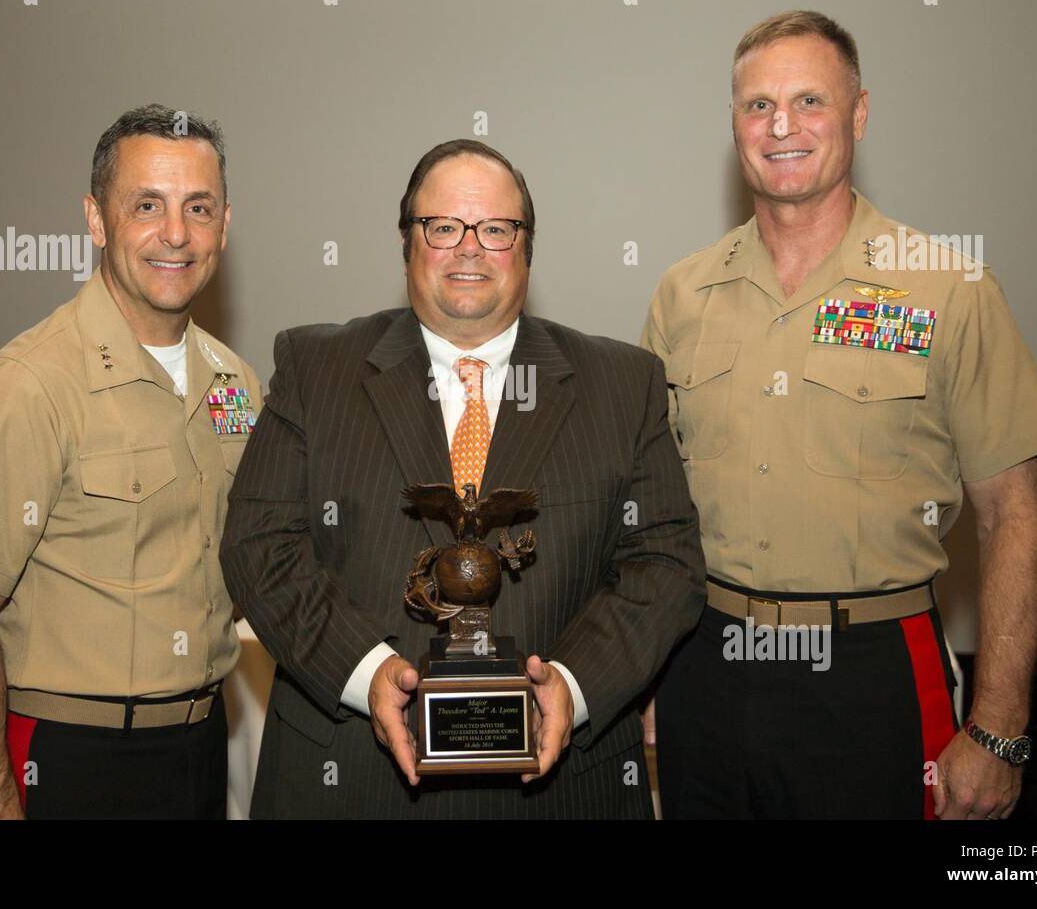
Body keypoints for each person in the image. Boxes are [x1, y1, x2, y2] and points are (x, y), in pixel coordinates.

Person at [642, 11, 1037, 819]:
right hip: (704, 658)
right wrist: (648, 672)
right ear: (733, 123)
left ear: (859, 114)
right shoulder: (682, 292)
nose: (782, 127)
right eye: (757, 105)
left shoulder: (946, 288)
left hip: (872, 669)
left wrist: (1001, 728)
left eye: (810, 101)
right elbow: (649, 511)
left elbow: (1015, 512)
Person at [222, 138, 704, 818]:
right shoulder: (313, 367)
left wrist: (572, 684)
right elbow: (259, 547)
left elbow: (667, 565)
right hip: (353, 781)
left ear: (527, 246)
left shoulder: (621, 385)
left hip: (563, 790)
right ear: (406, 243)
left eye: (495, 229)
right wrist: (368, 675)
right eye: (443, 227)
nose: (469, 248)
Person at [0, 104, 261, 818]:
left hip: (199, 748)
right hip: (67, 760)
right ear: (96, 220)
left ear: (225, 223)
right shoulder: (27, 385)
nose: (175, 234)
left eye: (198, 208)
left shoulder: (236, 383)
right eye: (146, 206)